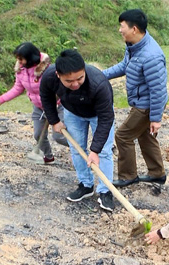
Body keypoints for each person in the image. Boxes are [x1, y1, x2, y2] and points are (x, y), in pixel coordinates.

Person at [40, 49, 116, 212]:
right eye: (69, 81)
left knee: (103, 152)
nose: (75, 84)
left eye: (79, 78)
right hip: (73, 113)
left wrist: (95, 150)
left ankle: (105, 191)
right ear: (58, 75)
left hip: (98, 115)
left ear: (84, 70)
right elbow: (46, 96)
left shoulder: (98, 83)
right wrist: (54, 120)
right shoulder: (49, 77)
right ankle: (86, 185)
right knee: (76, 149)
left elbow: (106, 118)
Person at [102, 9, 168, 188]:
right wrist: (101, 75)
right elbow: (125, 66)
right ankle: (157, 173)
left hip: (146, 105)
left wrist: (155, 118)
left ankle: (128, 176)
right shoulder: (133, 46)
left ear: (134, 29)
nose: (119, 30)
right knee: (145, 136)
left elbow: (158, 89)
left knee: (123, 136)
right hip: (141, 101)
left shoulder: (151, 56)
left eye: (122, 26)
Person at [0, 42, 68, 164]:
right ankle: (48, 157)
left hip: (56, 105)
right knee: (38, 134)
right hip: (39, 107)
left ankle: (82, 151)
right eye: (18, 58)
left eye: (21, 59)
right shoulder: (21, 70)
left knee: (59, 136)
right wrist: (1, 99)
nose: (19, 61)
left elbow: (62, 85)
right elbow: (18, 88)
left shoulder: (48, 70)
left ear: (31, 58)